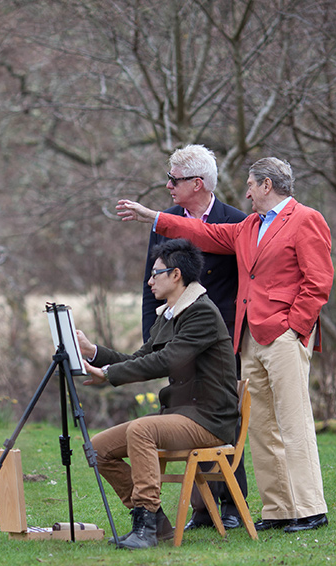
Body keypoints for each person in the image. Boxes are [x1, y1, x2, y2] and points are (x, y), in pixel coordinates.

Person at [116, 157, 334, 534]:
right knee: (262, 426)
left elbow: (318, 281)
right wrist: (153, 217)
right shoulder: (248, 226)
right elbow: (203, 235)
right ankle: (279, 509)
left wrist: (295, 327)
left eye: (251, 185)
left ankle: (311, 507)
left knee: (293, 422)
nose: (246, 192)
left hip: (283, 335)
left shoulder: (305, 219)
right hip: (248, 338)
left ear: (267, 186)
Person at [77, 238, 239, 549]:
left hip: (208, 419)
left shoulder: (201, 313)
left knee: (142, 428)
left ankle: (146, 524)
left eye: (156, 273)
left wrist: (108, 375)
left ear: (176, 275)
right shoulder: (170, 315)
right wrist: (94, 353)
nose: (150, 281)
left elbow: (167, 360)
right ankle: (159, 524)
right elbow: (141, 359)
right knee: (97, 449)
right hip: (181, 415)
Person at [140, 145, 250, 534]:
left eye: (174, 179)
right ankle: (202, 510)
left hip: (220, 343)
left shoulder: (237, 222)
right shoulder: (165, 221)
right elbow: (150, 284)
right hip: (177, 344)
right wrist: (151, 340)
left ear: (197, 183)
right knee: (186, 420)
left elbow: (243, 285)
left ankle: (234, 503)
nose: (168, 185)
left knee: (225, 420)